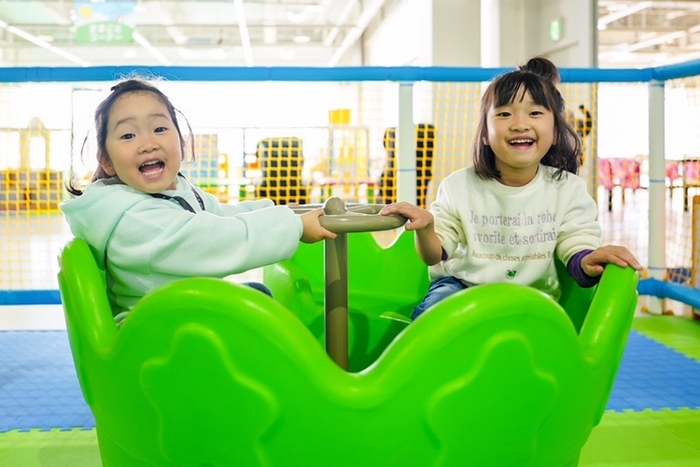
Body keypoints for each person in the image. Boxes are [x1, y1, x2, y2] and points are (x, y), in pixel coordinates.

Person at [380, 57, 642, 320]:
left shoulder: (567, 189)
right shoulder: (458, 186)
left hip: (534, 296)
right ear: (484, 133)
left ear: (555, 132)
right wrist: (426, 228)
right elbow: (434, 255)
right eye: (504, 114)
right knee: (437, 312)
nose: (519, 123)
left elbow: (576, 245)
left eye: (535, 113)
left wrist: (589, 260)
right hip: (462, 289)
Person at [60, 78, 336, 321]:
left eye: (159, 129)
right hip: (154, 333)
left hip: (182, 311)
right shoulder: (133, 219)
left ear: (181, 142)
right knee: (256, 309)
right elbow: (215, 238)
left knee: (257, 294)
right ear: (107, 161)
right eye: (128, 135)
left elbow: (222, 215)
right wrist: (293, 227)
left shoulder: (177, 191)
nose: (148, 143)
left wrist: (283, 211)